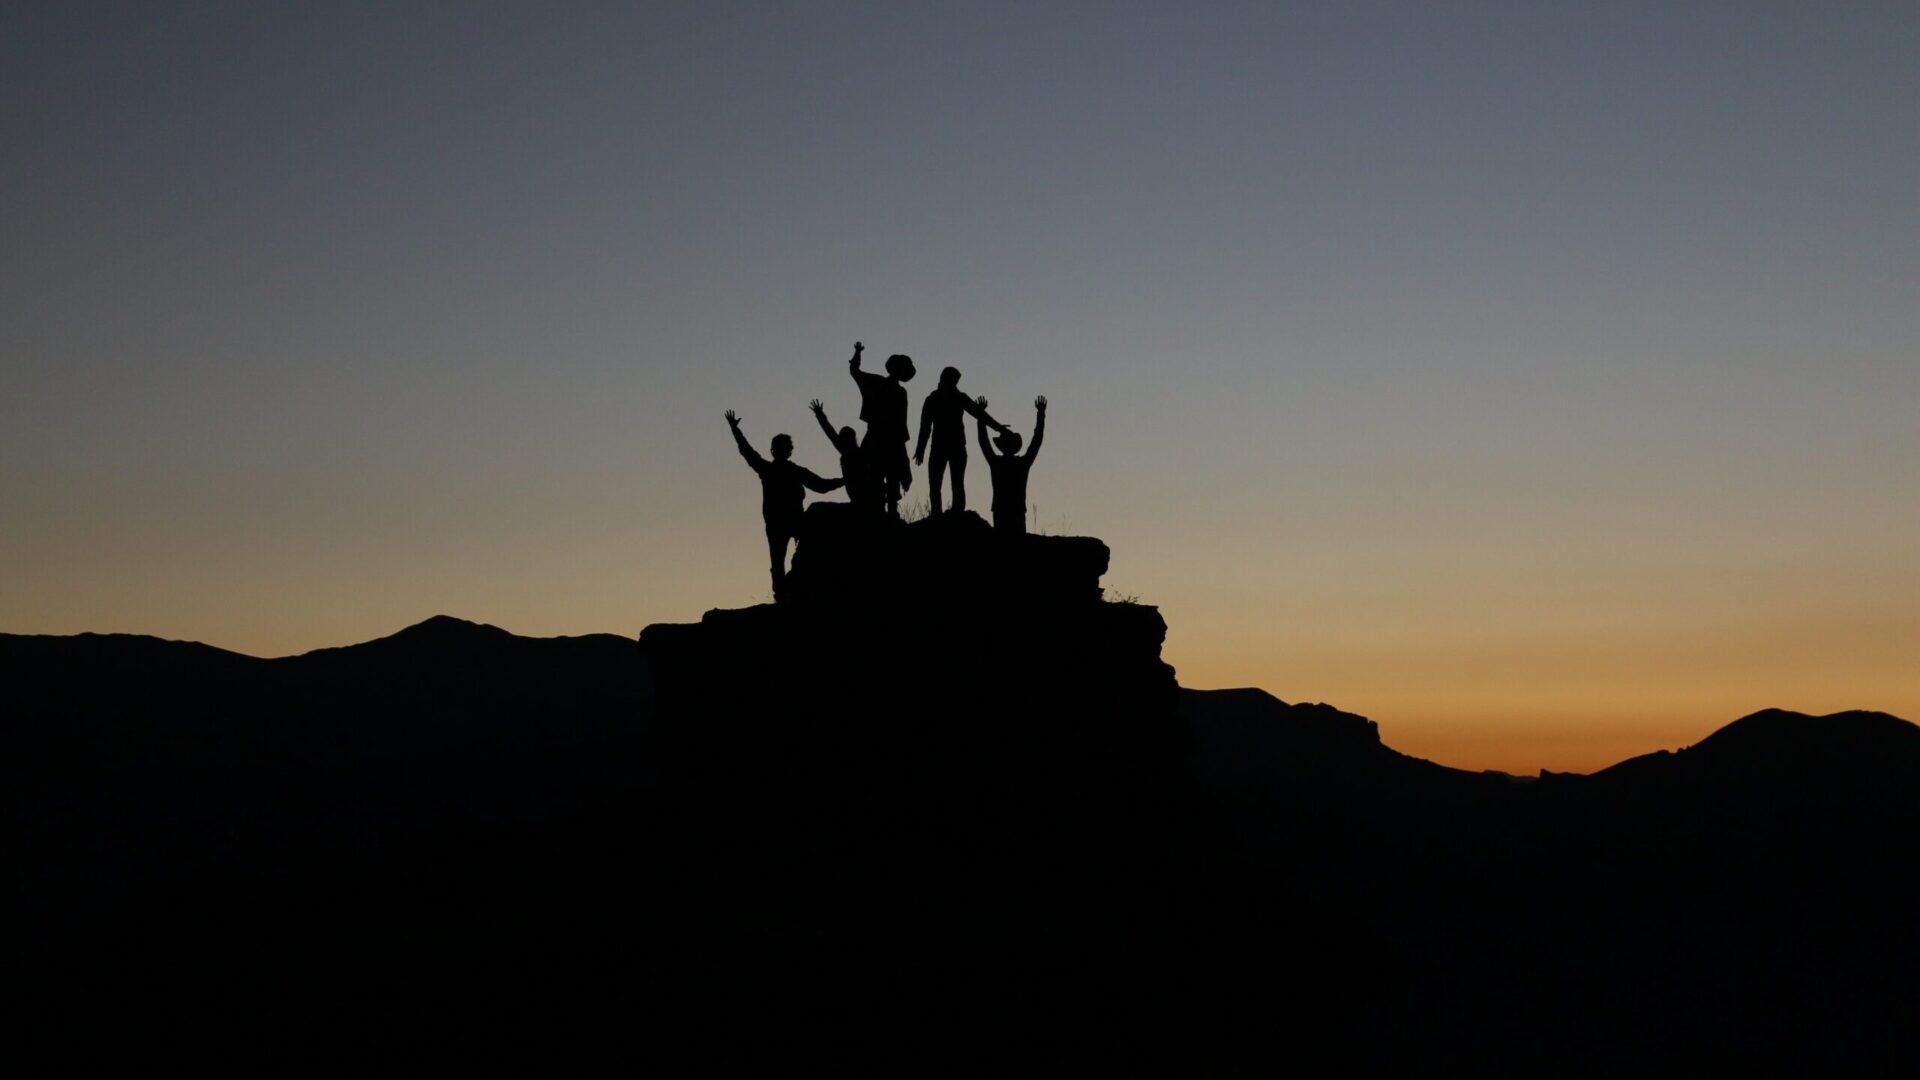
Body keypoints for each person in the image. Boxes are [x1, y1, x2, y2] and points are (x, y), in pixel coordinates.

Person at [726, 409, 843, 598]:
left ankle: (786, 590)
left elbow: (821, 485)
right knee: (780, 559)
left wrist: (735, 430)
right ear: (787, 451)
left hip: (784, 522)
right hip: (782, 522)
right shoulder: (781, 470)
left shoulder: (773, 469)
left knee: (780, 559)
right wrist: (843, 481)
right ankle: (784, 592)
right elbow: (821, 485)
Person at [914, 366, 1010, 516]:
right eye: (953, 380)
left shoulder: (957, 398)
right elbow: (925, 427)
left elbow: (979, 413)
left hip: (955, 446)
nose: (955, 383)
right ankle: (937, 514)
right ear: (946, 379)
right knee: (936, 483)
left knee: (955, 482)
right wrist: (920, 449)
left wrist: (999, 428)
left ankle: (956, 511)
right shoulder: (934, 399)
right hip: (941, 446)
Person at [847, 340, 914, 517]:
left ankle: (889, 514)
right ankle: (878, 512)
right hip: (878, 436)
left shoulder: (901, 392)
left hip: (893, 439)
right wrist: (858, 352)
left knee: (892, 478)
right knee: (874, 474)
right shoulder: (877, 382)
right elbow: (854, 371)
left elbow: (901, 420)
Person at [977, 395, 1046, 535]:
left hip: (1001, 510)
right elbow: (1036, 441)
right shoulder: (1022, 464)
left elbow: (983, 441)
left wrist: (981, 415)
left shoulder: (997, 463)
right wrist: (1040, 414)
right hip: (1016, 510)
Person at [809, 398, 876, 510]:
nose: (842, 440)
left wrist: (820, 415)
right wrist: (820, 415)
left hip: (865, 492)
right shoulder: (849, 451)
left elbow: (831, 433)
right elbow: (830, 432)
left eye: (844, 438)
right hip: (856, 494)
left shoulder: (859, 453)